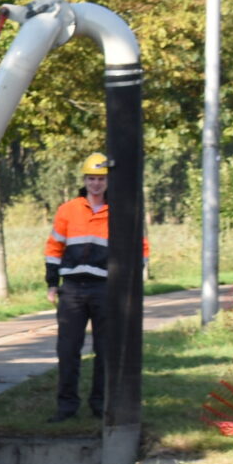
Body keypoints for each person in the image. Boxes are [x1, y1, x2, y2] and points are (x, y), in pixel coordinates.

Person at [44, 151, 144, 420]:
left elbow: (140, 248)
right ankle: (66, 408)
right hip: (73, 289)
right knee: (67, 351)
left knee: (105, 351)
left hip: (105, 290)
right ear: (84, 180)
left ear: (108, 181)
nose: (96, 184)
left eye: (100, 179)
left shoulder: (120, 210)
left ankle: (100, 406)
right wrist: (52, 283)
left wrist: (132, 284)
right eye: (91, 178)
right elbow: (54, 247)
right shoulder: (68, 210)